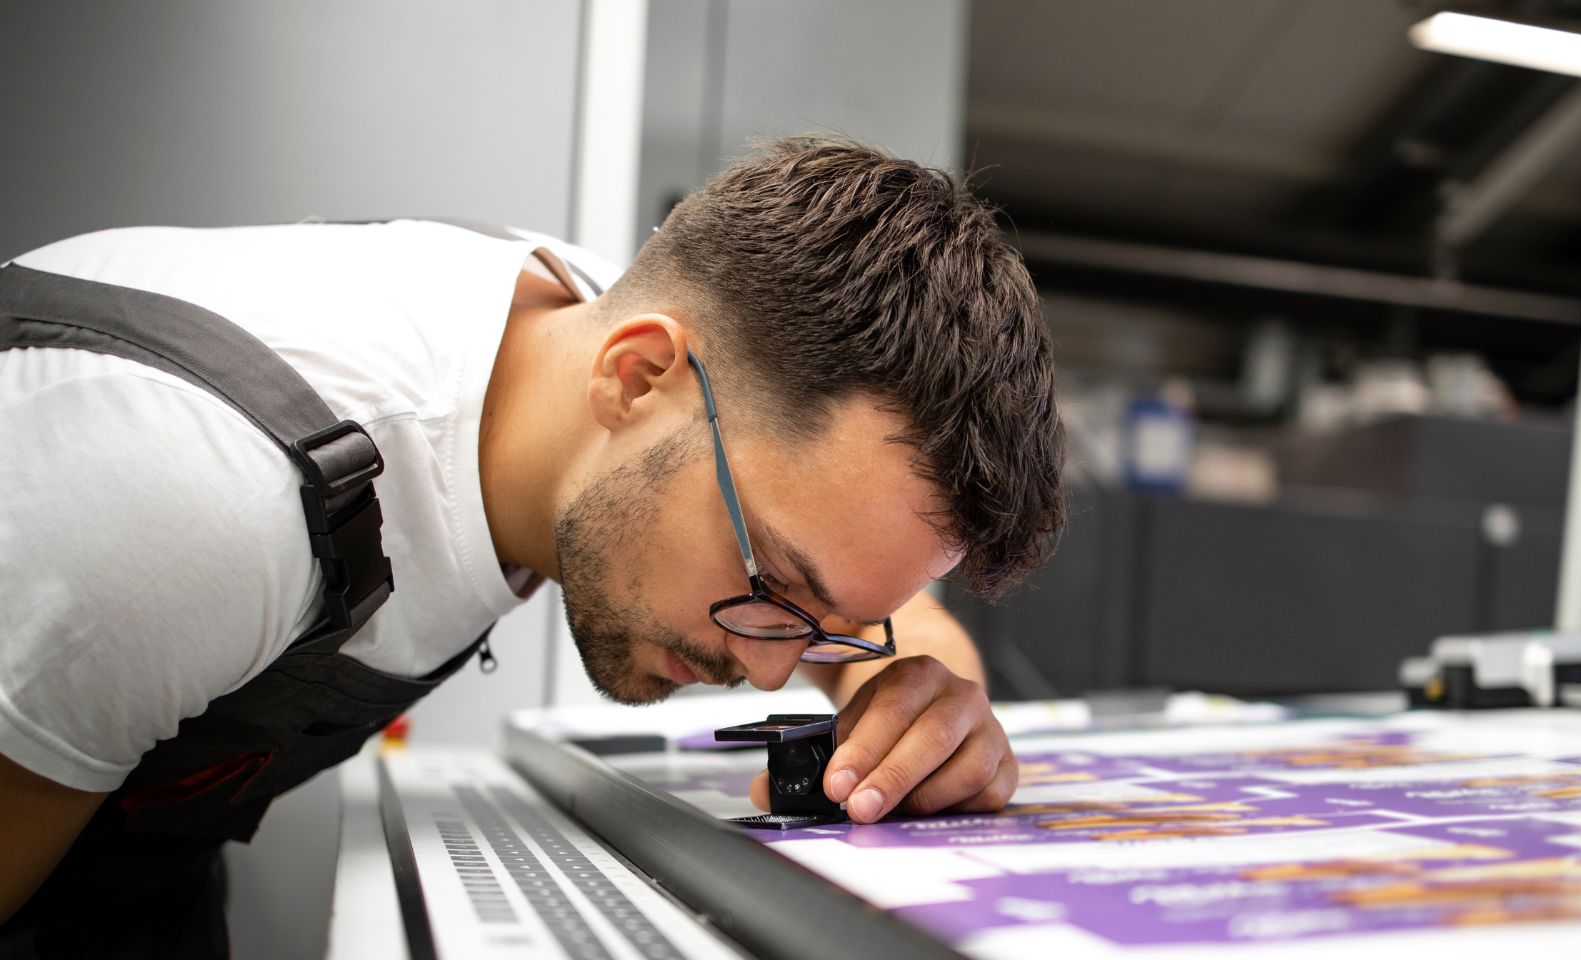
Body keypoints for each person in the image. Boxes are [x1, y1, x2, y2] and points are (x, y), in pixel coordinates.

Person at [0, 136, 1065, 957]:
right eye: (771, 583)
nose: (772, 667)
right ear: (636, 377)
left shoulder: (617, 343)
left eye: (827, 627)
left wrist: (925, 700)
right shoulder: (192, 497)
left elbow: (873, 595)